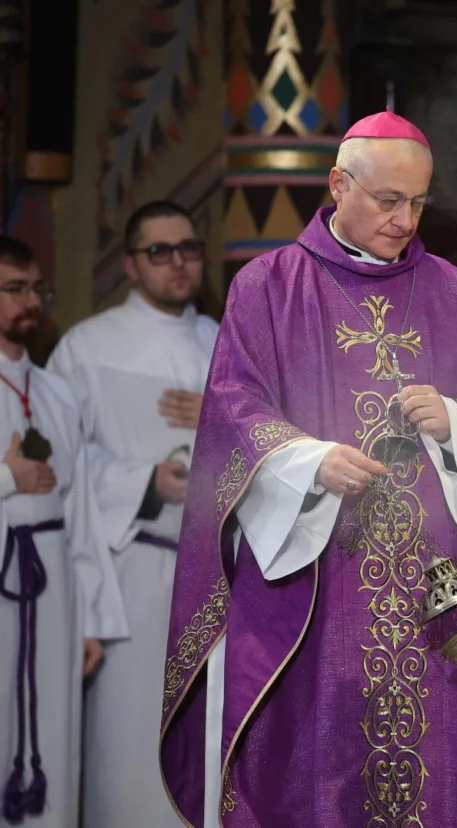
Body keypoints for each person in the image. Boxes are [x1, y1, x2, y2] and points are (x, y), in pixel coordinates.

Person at [159, 111, 457, 827]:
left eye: (419, 202)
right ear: (338, 184)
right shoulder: (268, 287)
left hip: (434, 592)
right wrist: (306, 461)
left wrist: (456, 419)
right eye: (389, 200)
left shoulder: (455, 293)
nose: (406, 220)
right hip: (319, 590)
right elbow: (235, 409)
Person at [46, 201, 219, 828]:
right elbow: (60, 463)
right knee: (129, 753)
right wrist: (146, 482)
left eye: (188, 248)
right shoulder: (87, 348)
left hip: (219, 577)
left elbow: (282, 441)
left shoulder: (226, 342)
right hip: (130, 574)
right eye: (159, 251)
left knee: (210, 751)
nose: (178, 262)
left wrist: (222, 418)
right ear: (128, 264)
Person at [0, 237, 127, 827]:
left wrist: (92, 618)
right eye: (13, 289)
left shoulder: (55, 391)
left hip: (55, 596)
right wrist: (8, 477)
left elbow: (81, 514)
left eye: (37, 289)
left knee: (52, 724)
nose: (30, 301)